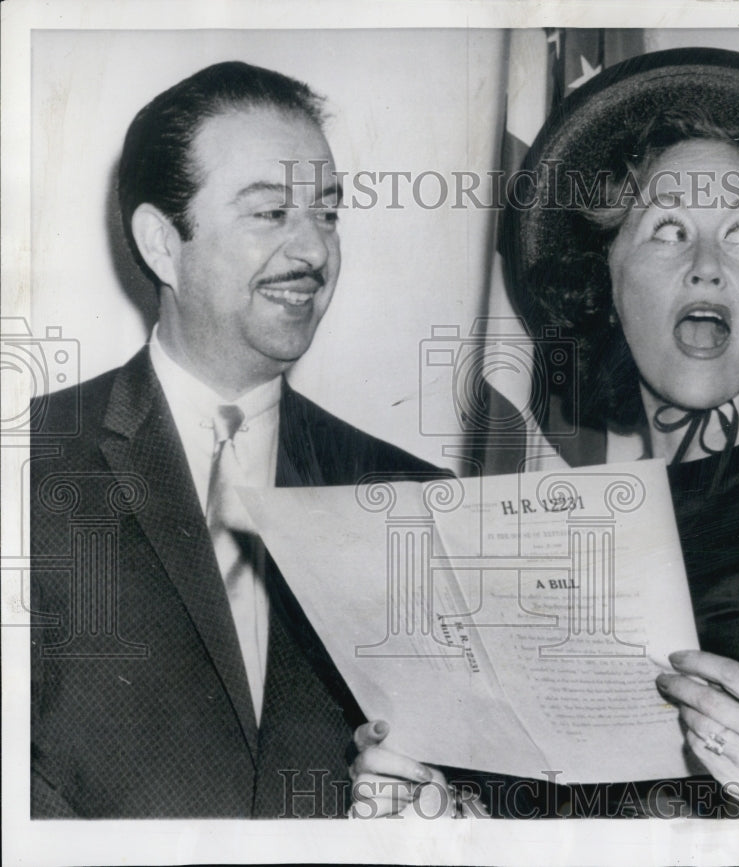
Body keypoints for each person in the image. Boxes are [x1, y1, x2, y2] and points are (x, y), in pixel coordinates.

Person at [355, 48, 739, 818]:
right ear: (610, 284)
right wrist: (444, 810)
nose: (706, 266)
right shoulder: (544, 524)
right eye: (667, 230)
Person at [30, 61, 440, 818]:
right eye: (269, 212)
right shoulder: (27, 466)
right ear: (161, 245)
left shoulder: (419, 501)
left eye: (327, 212)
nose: (314, 251)